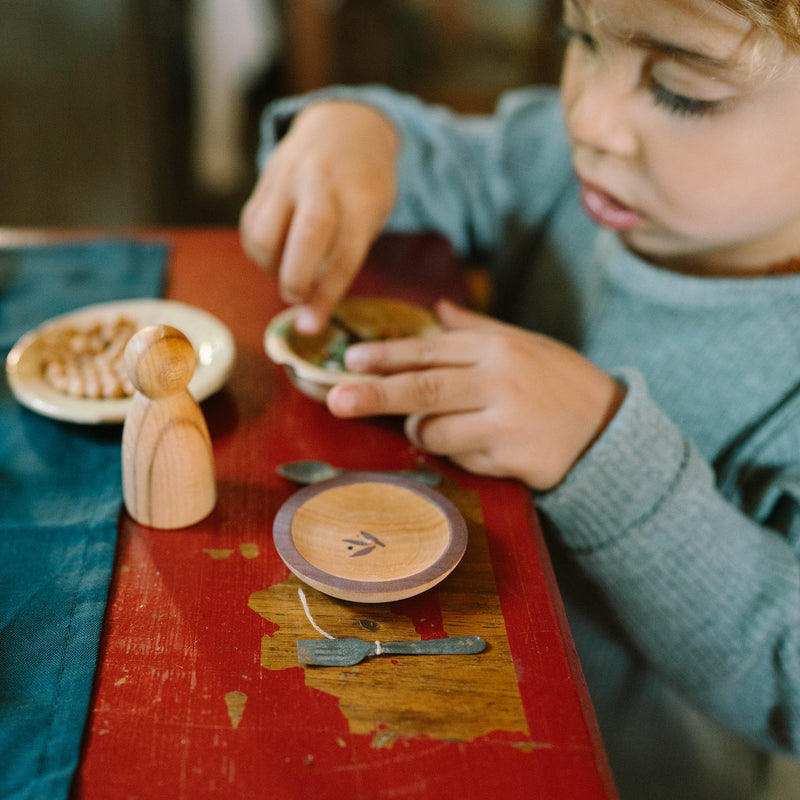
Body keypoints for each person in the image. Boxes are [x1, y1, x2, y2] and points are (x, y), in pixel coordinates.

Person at [239, 0, 800, 796]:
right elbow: (447, 157)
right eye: (580, 38)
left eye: (681, 91)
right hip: (407, 690)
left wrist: (604, 457)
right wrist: (357, 130)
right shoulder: (562, 167)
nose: (590, 117)